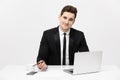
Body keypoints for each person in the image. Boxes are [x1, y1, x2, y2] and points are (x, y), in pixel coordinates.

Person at [37, 5, 89, 71]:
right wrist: (41, 63)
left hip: (72, 71)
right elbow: (41, 57)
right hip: (53, 71)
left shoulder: (79, 35)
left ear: (73, 21)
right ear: (59, 17)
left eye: (70, 19)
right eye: (65, 18)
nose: (67, 22)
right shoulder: (47, 34)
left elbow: (86, 57)